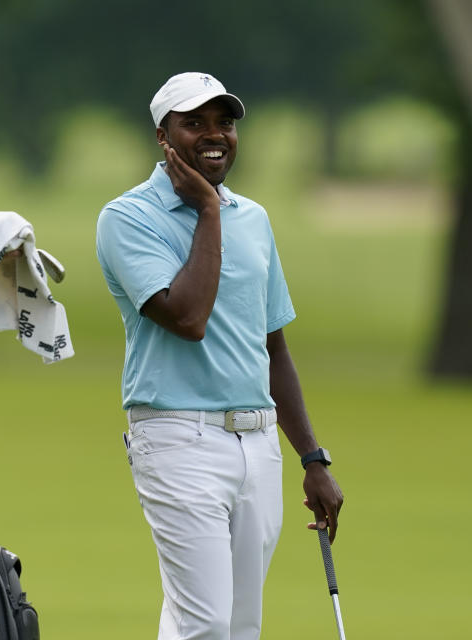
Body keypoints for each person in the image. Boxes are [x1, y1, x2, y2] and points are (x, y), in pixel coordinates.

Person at [95, 72, 344, 639]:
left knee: (238, 625)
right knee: (203, 624)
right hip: (178, 439)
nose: (215, 135)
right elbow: (187, 317)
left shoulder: (253, 218)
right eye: (195, 123)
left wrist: (312, 458)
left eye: (224, 123)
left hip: (258, 446)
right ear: (163, 136)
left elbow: (273, 345)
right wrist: (207, 210)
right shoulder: (128, 218)